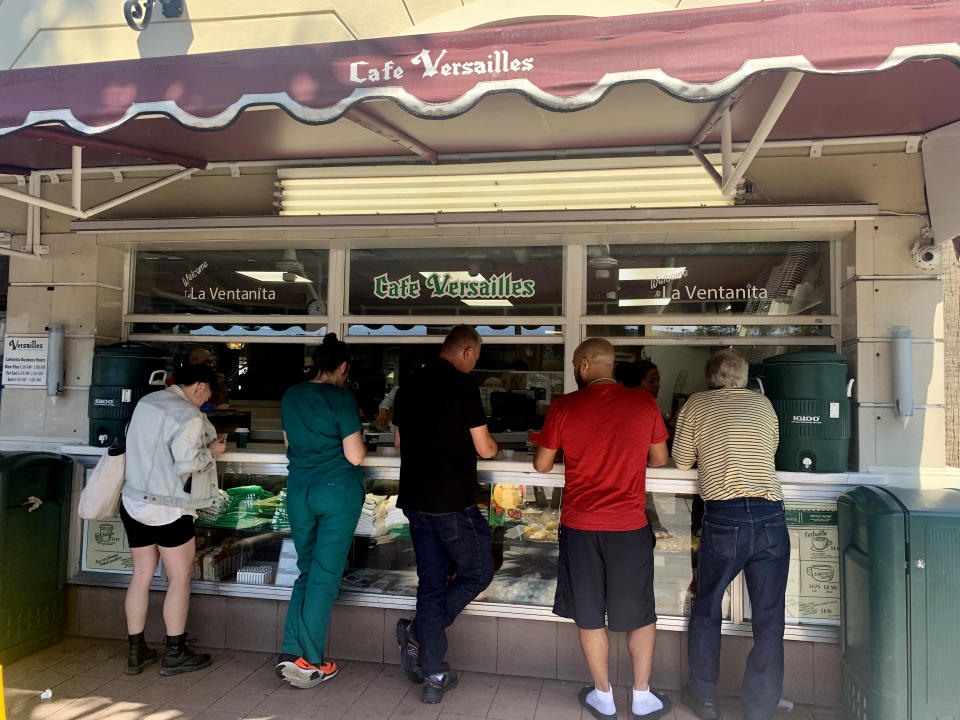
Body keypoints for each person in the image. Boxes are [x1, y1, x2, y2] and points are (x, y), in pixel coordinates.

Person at [533, 338, 672, 720]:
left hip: (580, 526)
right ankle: (642, 697)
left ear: (582, 366)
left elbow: (542, 467)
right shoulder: (644, 403)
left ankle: (603, 696)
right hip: (629, 525)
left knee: (590, 613)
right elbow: (660, 459)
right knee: (640, 613)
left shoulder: (563, 405)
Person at [672, 349, 786, 720]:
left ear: (709, 378)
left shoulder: (696, 404)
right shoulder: (764, 405)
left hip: (725, 517)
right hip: (771, 516)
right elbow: (770, 450)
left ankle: (705, 699)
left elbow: (681, 461)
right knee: (769, 619)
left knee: (706, 609)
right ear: (745, 378)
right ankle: (760, 709)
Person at [393, 325, 498, 703]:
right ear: (468, 352)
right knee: (478, 573)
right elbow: (485, 449)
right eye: (477, 356)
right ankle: (421, 633)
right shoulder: (463, 386)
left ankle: (435, 673)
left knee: (432, 585)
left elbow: (399, 440)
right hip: (452, 503)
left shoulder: (409, 385)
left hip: (416, 502)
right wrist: (496, 445)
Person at [120, 363, 226, 676]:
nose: (206, 399)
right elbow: (186, 465)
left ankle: (136, 651)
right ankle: (175, 652)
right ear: (198, 387)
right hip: (168, 506)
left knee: (141, 574)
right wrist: (213, 451)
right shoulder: (188, 414)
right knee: (179, 578)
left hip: (134, 500)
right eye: (207, 392)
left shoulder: (147, 402)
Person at [275, 333, 366, 688]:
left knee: (306, 571)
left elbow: (289, 445)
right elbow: (355, 455)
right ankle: (310, 662)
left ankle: (290, 650)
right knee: (325, 577)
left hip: (299, 492)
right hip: (336, 494)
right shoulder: (342, 398)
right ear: (342, 367)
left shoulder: (292, 394)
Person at [615, 360, 669, 537]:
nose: (657, 385)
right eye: (651, 381)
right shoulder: (646, 404)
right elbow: (659, 459)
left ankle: (655, 524)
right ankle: (655, 526)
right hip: (631, 501)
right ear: (636, 382)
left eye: (658, 380)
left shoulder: (614, 403)